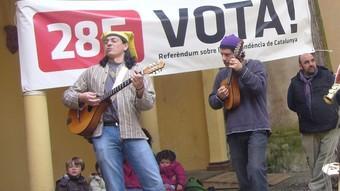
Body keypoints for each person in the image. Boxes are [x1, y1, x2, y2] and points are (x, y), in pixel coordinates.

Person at [63, 31, 164, 191]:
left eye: (114, 40)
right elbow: (67, 96)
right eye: (106, 41)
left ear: (125, 46)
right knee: (114, 186)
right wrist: (82, 97)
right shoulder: (92, 72)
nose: (108, 43)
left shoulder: (138, 70)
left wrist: (140, 89)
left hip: (132, 130)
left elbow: (148, 103)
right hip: (103, 132)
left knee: (154, 183)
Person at [208, 34, 270, 191]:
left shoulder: (256, 66)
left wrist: (242, 70)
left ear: (238, 53)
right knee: (243, 179)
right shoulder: (222, 74)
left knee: (256, 170)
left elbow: (259, 88)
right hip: (234, 131)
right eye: (221, 54)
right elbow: (213, 102)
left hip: (257, 128)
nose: (223, 58)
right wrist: (219, 97)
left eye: (227, 54)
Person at [287, 52, 340, 191]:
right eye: (306, 62)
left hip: (331, 128)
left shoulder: (328, 76)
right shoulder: (294, 83)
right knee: (315, 165)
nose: (311, 64)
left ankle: (312, 187)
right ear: (300, 66)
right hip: (309, 130)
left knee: (325, 163)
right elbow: (291, 104)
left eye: (312, 60)